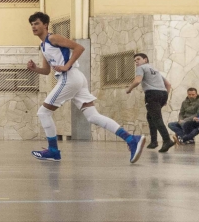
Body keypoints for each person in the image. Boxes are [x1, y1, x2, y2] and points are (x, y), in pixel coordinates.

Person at [26, 12, 144, 163]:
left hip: (69, 77)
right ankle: (131, 139)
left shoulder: (52, 38)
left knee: (43, 113)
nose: (33, 27)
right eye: (32, 24)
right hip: (76, 78)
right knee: (92, 116)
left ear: (45, 25)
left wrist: (66, 66)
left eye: (36, 23)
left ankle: (53, 151)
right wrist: (35, 69)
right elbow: (46, 70)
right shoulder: (43, 46)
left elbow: (79, 48)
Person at [126, 52, 174, 153]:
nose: (136, 62)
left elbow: (137, 81)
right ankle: (153, 141)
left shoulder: (141, 68)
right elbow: (168, 84)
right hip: (163, 94)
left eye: (138, 59)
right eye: (135, 60)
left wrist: (129, 89)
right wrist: (165, 99)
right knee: (150, 116)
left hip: (152, 94)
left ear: (145, 60)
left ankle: (167, 140)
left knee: (156, 118)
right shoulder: (155, 70)